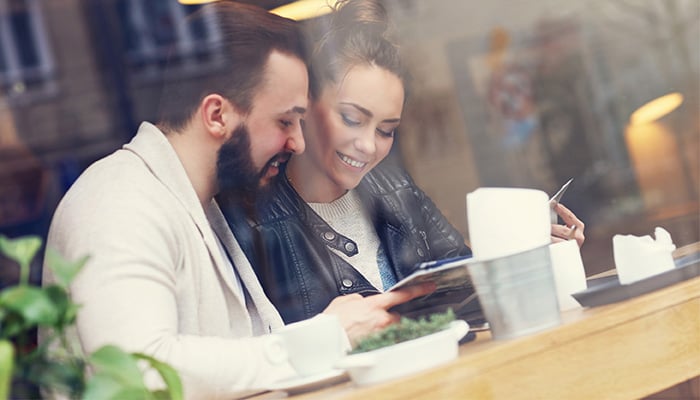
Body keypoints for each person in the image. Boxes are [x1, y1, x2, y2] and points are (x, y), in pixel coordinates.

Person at [41, 3, 431, 399]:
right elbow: (143, 372)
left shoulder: (204, 203)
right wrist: (326, 339)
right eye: (284, 121)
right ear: (216, 115)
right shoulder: (117, 203)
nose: (297, 143)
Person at [220, 0, 585, 325]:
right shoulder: (248, 221)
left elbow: (475, 302)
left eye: (386, 130)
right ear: (306, 105)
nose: (367, 145)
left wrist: (535, 256)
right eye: (351, 118)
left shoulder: (397, 191)